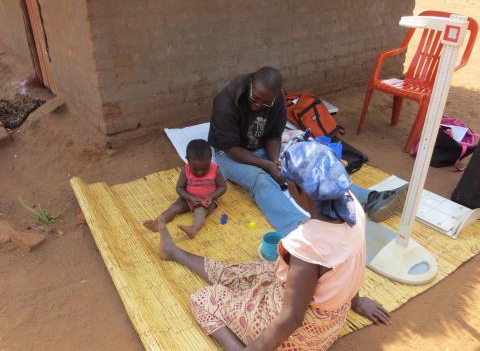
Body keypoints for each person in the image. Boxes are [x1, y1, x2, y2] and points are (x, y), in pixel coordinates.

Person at [148, 140, 391, 350]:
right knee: (247, 273)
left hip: (300, 336)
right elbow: (349, 257)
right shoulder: (352, 208)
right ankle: (174, 252)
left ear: (298, 190)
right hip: (331, 322)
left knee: (203, 299)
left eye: (288, 185)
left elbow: (291, 319)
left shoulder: (308, 246)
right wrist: (356, 302)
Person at [208, 66, 408, 235]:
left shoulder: (276, 100)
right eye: (255, 98)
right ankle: (299, 229)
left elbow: (273, 135)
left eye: (265, 102)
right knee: (261, 180)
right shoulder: (226, 102)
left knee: (305, 166)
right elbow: (231, 149)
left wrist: (276, 160)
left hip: (261, 147)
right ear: (250, 84)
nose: (258, 105)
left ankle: (370, 200)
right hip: (230, 154)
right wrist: (267, 165)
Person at [144, 139, 227, 238]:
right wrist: (190, 197)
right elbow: (179, 188)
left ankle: (193, 229)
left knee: (200, 213)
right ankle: (156, 223)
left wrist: (212, 197)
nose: (200, 173)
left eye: (205, 169)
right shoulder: (185, 170)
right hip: (187, 199)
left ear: (210, 159)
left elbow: (223, 187)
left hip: (206, 202)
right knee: (174, 208)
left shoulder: (215, 170)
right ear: (187, 159)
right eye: (195, 170)